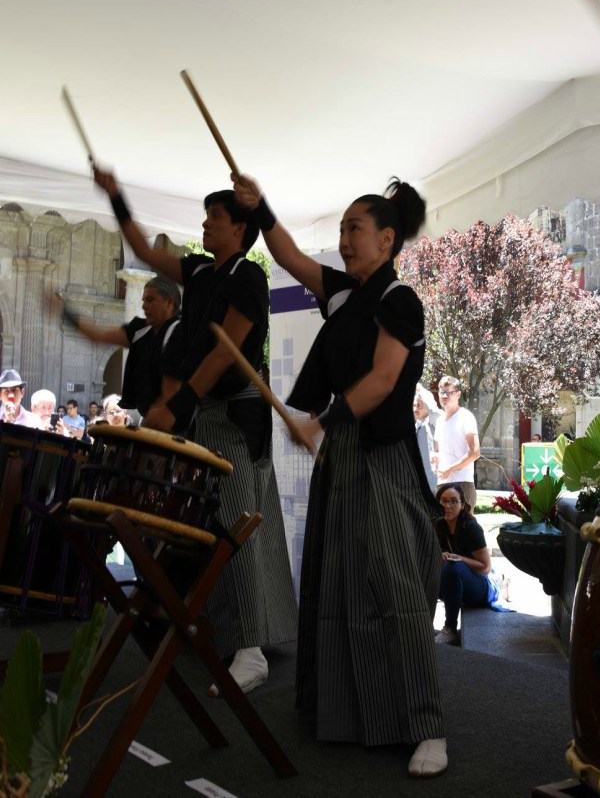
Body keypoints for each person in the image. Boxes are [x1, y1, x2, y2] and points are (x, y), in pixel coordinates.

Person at [237, 172, 447, 778]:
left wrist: (322, 422)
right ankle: (353, 716)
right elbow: (287, 254)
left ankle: (427, 727)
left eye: (354, 229)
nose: (344, 240)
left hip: (384, 462)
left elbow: (383, 380)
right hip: (343, 463)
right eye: (341, 230)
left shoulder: (398, 300)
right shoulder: (340, 295)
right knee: (338, 583)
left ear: (387, 239)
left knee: (398, 591)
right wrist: (261, 207)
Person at [94, 165, 296, 696]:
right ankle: (238, 631)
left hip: (236, 413)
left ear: (240, 230)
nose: (205, 225)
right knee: (220, 525)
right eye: (205, 216)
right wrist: (117, 196)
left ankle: (251, 651)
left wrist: (175, 404)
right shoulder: (203, 273)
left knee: (237, 524)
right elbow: (143, 249)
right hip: (207, 413)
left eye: (215, 217)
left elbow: (226, 350)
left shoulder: (248, 278)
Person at [57, 275, 182, 418]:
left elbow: (172, 392)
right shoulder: (139, 330)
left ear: (169, 302)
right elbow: (98, 335)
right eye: (143, 300)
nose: (143, 306)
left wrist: (153, 422)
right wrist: (62, 311)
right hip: (149, 418)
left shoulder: (180, 333)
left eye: (150, 300)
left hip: (172, 423)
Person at [433, 484, 497, 646]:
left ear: (462, 505)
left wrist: (458, 558)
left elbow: (485, 567)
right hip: (452, 585)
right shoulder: (436, 526)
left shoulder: (471, 528)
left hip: (479, 586)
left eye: (454, 501)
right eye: (444, 501)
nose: (448, 506)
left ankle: (450, 628)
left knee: (453, 567)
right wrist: (438, 555)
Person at [433, 375, 480, 510]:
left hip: (462, 483)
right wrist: (435, 459)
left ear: (458, 394)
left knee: (464, 529)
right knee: (441, 529)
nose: (444, 396)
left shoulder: (466, 417)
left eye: (449, 392)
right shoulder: (440, 420)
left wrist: (450, 469)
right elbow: (438, 451)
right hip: (442, 483)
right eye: (442, 392)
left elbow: (475, 452)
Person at [414, 384, 441, 492]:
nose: (415, 409)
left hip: (434, 485)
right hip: (419, 485)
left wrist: (419, 388)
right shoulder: (417, 425)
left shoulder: (435, 421)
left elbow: (433, 410)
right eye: (414, 405)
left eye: (419, 405)